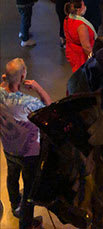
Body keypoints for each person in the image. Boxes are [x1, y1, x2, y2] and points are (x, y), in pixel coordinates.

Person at [0, 58, 52, 229]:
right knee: (29, 191)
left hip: (8, 148)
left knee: (12, 177)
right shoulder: (28, 102)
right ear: (22, 78)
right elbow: (49, 106)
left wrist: (7, 80)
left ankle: (15, 205)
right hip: (28, 154)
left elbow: (4, 85)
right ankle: (26, 224)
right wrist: (38, 88)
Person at [63, 0, 96, 72]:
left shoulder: (68, 18)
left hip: (73, 53)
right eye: (83, 5)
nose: (85, 7)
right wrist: (94, 60)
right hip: (81, 57)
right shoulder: (81, 26)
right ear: (78, 9)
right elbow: (86, 47)